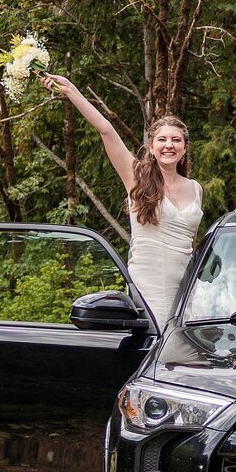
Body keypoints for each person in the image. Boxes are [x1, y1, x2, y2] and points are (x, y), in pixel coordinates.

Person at [41, 76, 202, 329]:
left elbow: (192, 243)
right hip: (150, 291)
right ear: (151, 147)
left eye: (176, 140)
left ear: (184, 148)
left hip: (188, 294)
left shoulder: (195, 189)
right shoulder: (136, 176)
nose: (169, 145)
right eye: (162, 140)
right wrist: (71, 91)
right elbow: (106, 129)